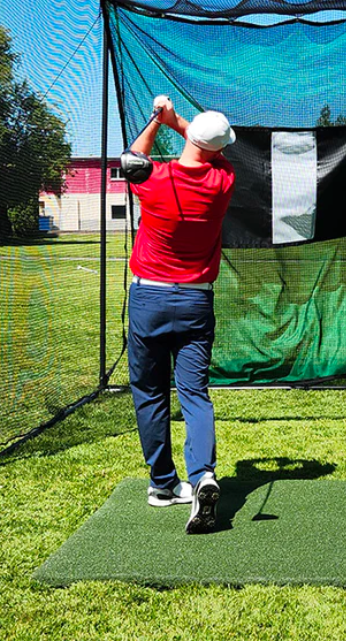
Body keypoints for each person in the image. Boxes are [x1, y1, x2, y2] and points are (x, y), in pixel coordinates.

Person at [127, 95, 236, 534]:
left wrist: (158, 119)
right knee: (194, 393)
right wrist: (181, 124)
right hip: (195, 301)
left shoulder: (154, 178)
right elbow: (213, 150)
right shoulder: (223, 180)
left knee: (150, 393)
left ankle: (162, 485)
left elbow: (133, 156)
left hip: (149, 300)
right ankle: (203, 476)